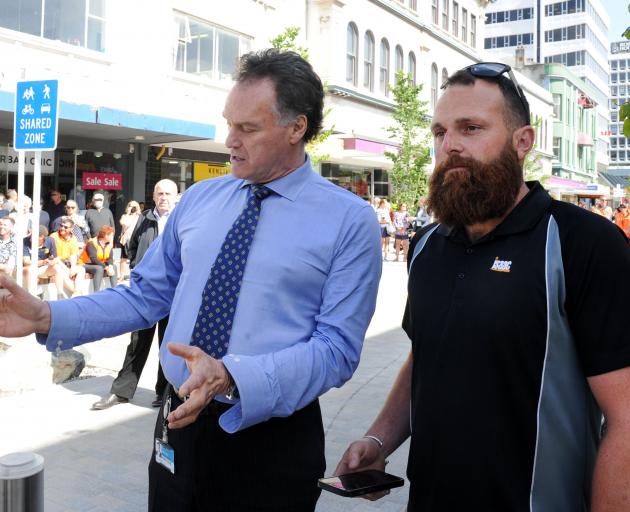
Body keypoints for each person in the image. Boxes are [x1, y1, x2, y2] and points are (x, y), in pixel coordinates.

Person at [0, 49, 381, 512]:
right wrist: (48, 314)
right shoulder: (200, 200)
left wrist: (231, 376)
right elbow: (144, 295)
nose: (229, 141)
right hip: (177, 423)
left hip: (270, 434)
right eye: (229, 124)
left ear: (297, 127)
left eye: (248, 128)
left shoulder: (349, 220)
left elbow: (337, 348)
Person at [335, 62, 630, 511]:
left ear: (523, 142)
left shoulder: (581, 243)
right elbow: (426, 355)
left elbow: (626, 418)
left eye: (471, 128)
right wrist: (380, 438)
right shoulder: (426, 245)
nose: (449, 145)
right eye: (439, 132)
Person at [92, 180, 178, 411]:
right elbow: (133, 249)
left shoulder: (184, 218)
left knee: (169, 345)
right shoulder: (144, 220)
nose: (164, 197)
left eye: (168, 193)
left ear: (177, 196)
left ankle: (165, 393)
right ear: (153, 195)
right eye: (160, 193)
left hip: (175, 292)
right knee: (137, 342)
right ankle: (121, 392)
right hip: (147, 291)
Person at [50, 217, 86, 295]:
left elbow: (73, 255)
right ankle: (76, 293)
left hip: (67, 263)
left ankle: (76, 293)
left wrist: (72, 267)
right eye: (61, 226)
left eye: (65, 227)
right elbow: (53, 257)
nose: (62, 228)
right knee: (62, 272)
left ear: (71, 229)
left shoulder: (73, 238)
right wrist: (66, 269)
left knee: (81, 270)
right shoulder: (53, 236)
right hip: (57, 264)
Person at [79, 225, 118, 291]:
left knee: (114, 266)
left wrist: (110, 266)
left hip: (99, 264)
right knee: (99, 268)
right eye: (111, 235)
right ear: (106, 235)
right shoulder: (92, 243)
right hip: (85, 264)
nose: (112, 237)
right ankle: (96, 292)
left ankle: (115, 290)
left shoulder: (108, 244)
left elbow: (110, 258)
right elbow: (94, 259)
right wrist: (106, 267)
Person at [117, 200, 141, 280]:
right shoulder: (125, 216)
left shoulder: (140, 217)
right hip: (126, 239)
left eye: (135, 206)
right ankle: (122, 275)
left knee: (135, 257)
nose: (133, 208)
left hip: (135, 239)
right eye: (131, 206)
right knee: (123, 258)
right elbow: (123, 224)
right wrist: (129, 213)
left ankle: (134, 274)